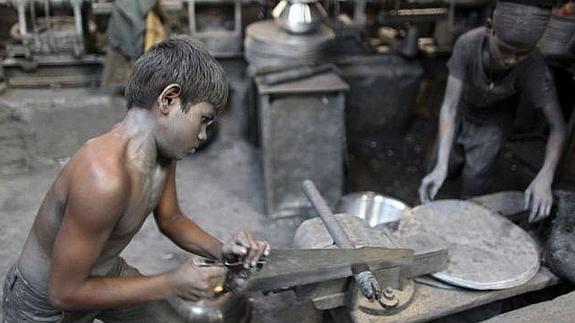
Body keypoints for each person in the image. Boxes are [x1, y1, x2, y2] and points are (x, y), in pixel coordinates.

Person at [2, 37, 270, 323]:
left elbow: (172, 220)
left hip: (102, 273)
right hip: (44, 303)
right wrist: (171, 282)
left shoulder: (164, 153)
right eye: (203, 119)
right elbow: (63, 293)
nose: (203, 135)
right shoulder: (103, 178)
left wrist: (223, 250)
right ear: (169, 99)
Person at [418, 0, 566, 223]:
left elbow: (558, 127)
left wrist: (546, 175)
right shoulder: (467, 45)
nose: (510, 60)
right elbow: (449, 107)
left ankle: (464, 224)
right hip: (461, 113)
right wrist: (441, 165)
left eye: (521, 54)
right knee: (439, 167)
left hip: (494, 123)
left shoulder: (534, 66)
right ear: (490, 28)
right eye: (505, 49)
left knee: (475, 180)